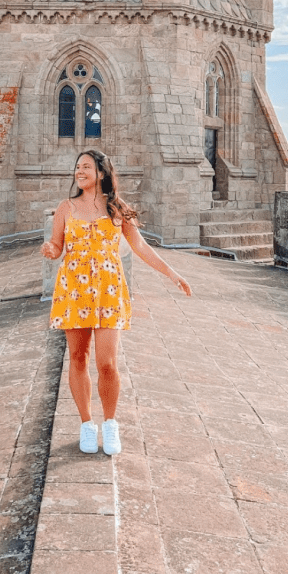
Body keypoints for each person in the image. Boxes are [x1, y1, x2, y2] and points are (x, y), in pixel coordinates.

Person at [41, 149, 192, 456]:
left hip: (108, 290)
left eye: (86, 166)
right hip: (74, 290)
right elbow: (57, 246)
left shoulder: (119, 208)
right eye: (77, 167)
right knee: (78, 357)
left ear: (101, 172)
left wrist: (172, 273)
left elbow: (141, 246)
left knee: (107, 363)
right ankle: (86, 424)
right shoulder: (65, 207)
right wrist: (50, 249)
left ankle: (110, 423)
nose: (79, 171)